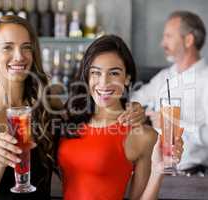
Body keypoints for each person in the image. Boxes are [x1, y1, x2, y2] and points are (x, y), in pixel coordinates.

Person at [0, 16, 147, 200]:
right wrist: (0, 161)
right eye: (8, 48)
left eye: (26, 47)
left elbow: (92, 124)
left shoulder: (49, 106)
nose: (19, 56)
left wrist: (131, 108)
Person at [57, 35, 183, 200]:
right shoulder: (69, 119)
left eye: (114, 73)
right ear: (87, 76)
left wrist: (159, 172)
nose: (104, 83)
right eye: (96, 73)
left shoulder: (143, 136)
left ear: (127, 78)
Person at [132, 10, 208, 174]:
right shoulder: (164, 77)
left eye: (168, 36)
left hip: (194, 180)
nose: (162, 43)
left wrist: (173, 124)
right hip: (157, 174)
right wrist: (139, 111)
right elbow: (136, 99)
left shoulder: (206, 80)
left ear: (188, 40)